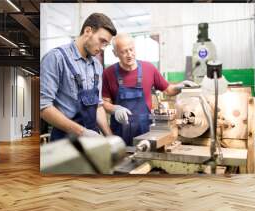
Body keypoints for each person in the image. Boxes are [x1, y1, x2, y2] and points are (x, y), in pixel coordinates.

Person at [102, 33, 198, 145]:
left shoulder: (149, 69)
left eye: (131, 49)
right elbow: (104, 102)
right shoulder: (108, 73)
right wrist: (115, 109)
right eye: (124, 51)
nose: (129, 54)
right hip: (120, 135)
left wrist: (180, 86)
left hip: (146, 133)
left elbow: (168, 90)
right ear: (115, 53)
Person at [40, 13, 117, 141]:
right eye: (102, 41)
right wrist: (81, 132)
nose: (103, 48)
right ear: (88, 31)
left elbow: (97, 106)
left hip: (92, 140)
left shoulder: (97, 66)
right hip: (65, 142)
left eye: (106, 44)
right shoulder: (56, 58)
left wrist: (110, 138)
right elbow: (44, 107)